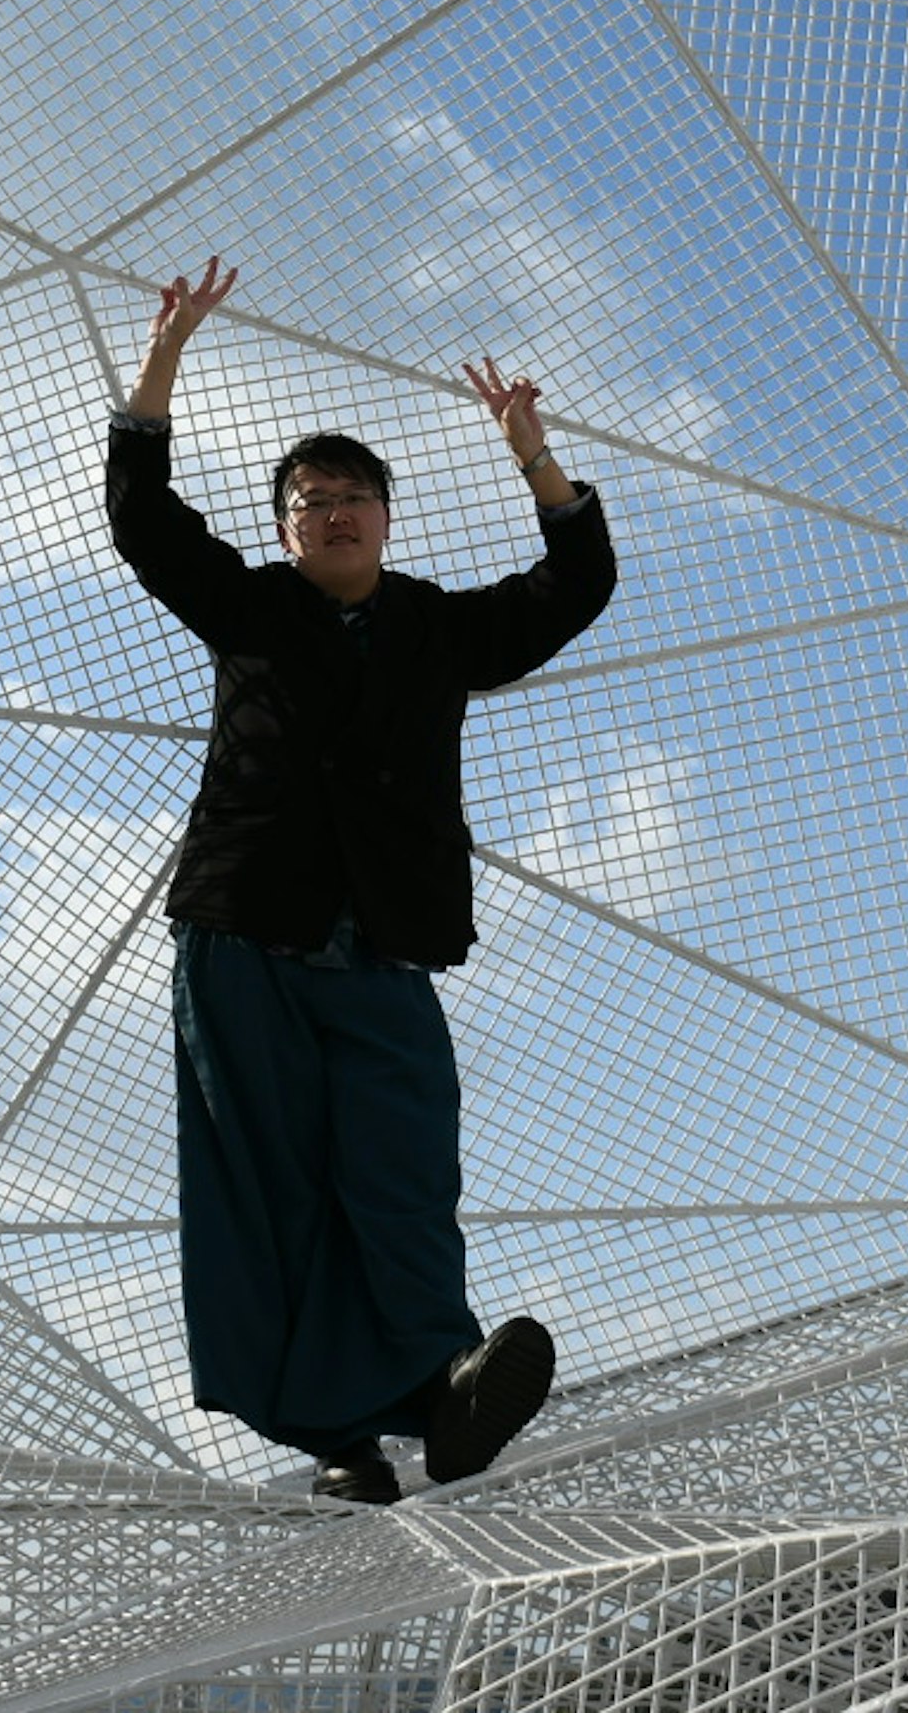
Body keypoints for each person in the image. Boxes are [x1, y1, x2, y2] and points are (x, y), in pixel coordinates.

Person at [103, 254, 617, 1505]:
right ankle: (333, 1438)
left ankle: (442, 1389)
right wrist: (164, 360)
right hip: (244, 933)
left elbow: (574, 586)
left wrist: (533, 457)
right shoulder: (253, 608)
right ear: (285, 526)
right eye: (311, 499)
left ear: (389, 518)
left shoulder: (436, 627)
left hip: (385, 942)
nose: (334, 512)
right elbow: (143, 519)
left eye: (355, 497)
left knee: (400, 1162)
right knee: (266, 1183)